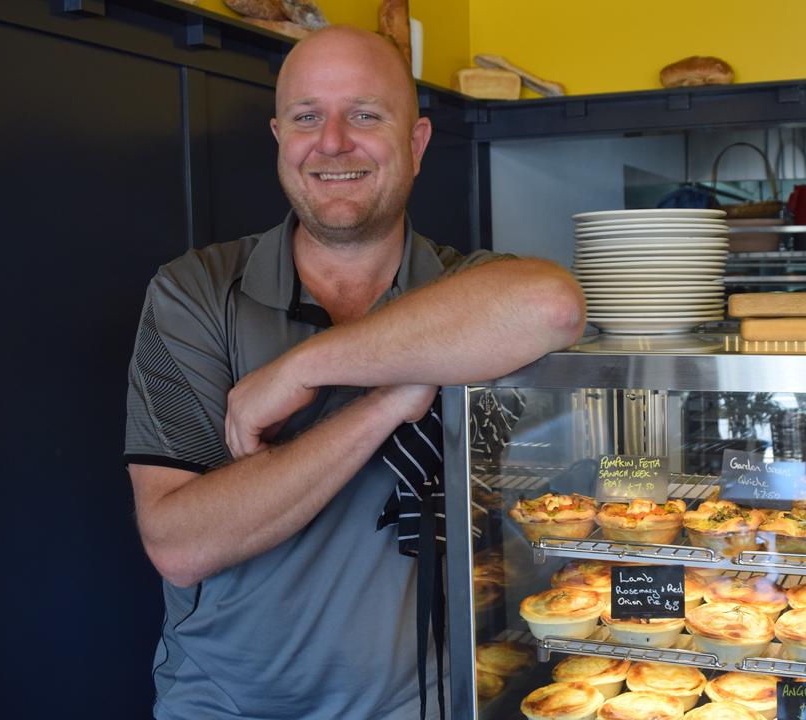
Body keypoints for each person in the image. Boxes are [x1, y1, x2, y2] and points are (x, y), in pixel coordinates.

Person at [123, 25, 585, 720]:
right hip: (224, 705)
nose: (333, 141)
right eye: (308, 117)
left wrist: (306, 367)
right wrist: (386, 400)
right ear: (281, 137)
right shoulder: (197, 291)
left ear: (417, 143)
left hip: (421, 704)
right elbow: (180, 543)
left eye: (365, 114)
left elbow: (551, 305)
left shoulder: (462, 286)